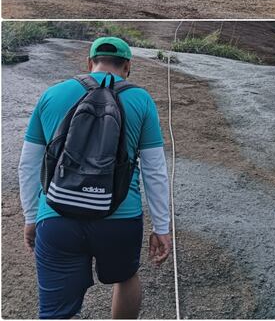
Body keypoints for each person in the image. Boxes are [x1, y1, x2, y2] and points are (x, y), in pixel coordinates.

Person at [17, 37, 172, 319]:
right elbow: (155, 169)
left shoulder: (52, 95)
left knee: (55, 312)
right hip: (119, 217)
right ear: (127, 67)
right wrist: (161, 227)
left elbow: (28, 164)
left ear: (89, 63)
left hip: (56, 216)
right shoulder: (141, 99)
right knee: (125, 278)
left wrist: (31, 217)